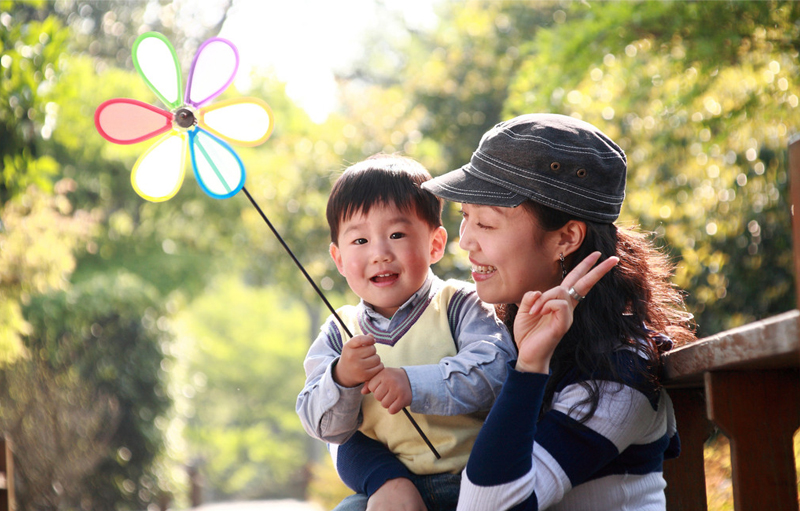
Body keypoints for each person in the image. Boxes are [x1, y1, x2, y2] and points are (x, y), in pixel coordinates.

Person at [334, 114, 696, 510]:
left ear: (565, 237)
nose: (464, 242)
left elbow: (487, 506)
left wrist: (528, 370)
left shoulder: (618, 375)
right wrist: (385, 478)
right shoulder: (488, 323)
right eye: (465, 218)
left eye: (486, 224)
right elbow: (360, 428)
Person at [295, 154, 517, 511]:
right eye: (360, 241)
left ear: (434, 243)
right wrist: (341, 377)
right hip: (391, 490)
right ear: (337, 259)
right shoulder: (340, 332)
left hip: (475, 483)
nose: (380, 253)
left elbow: (497, 373)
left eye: (397, 234)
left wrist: (412, 384)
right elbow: (320, 424)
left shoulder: (459, 304)